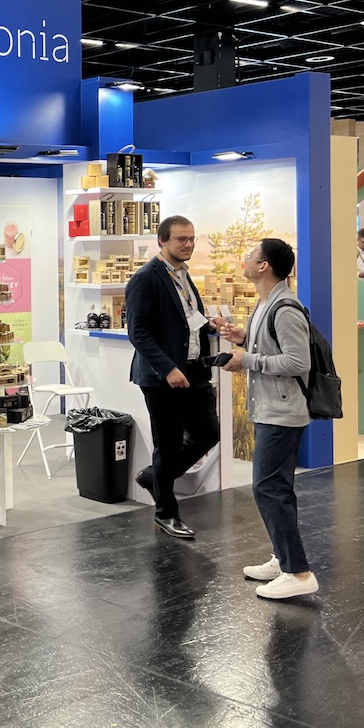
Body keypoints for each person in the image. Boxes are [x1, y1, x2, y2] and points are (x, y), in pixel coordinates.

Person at [215, 238, 318, 600]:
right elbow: (272, 346)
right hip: (271, 409)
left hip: (283, 412)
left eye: (250, 256)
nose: (244, 259)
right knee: (275, 487)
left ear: (264, 266)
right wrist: (244, 337)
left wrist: (247, 360)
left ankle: (298, 572)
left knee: (268, 488)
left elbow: (298, 362)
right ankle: (283, 558)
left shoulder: (285, 308)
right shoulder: (266, 303)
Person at [125, 215, 219, 539]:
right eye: (181, 239)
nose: (188, 244)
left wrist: (210, 324)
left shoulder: (184, 275)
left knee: (208, 433)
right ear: (162, 241)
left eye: (192, 238)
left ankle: (154, 477)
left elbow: (186, 318)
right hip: (161, 377)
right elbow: (138, 333)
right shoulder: (145, 279)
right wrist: (167, 368)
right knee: (168, 444)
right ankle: (166, 512)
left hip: (193, 371)